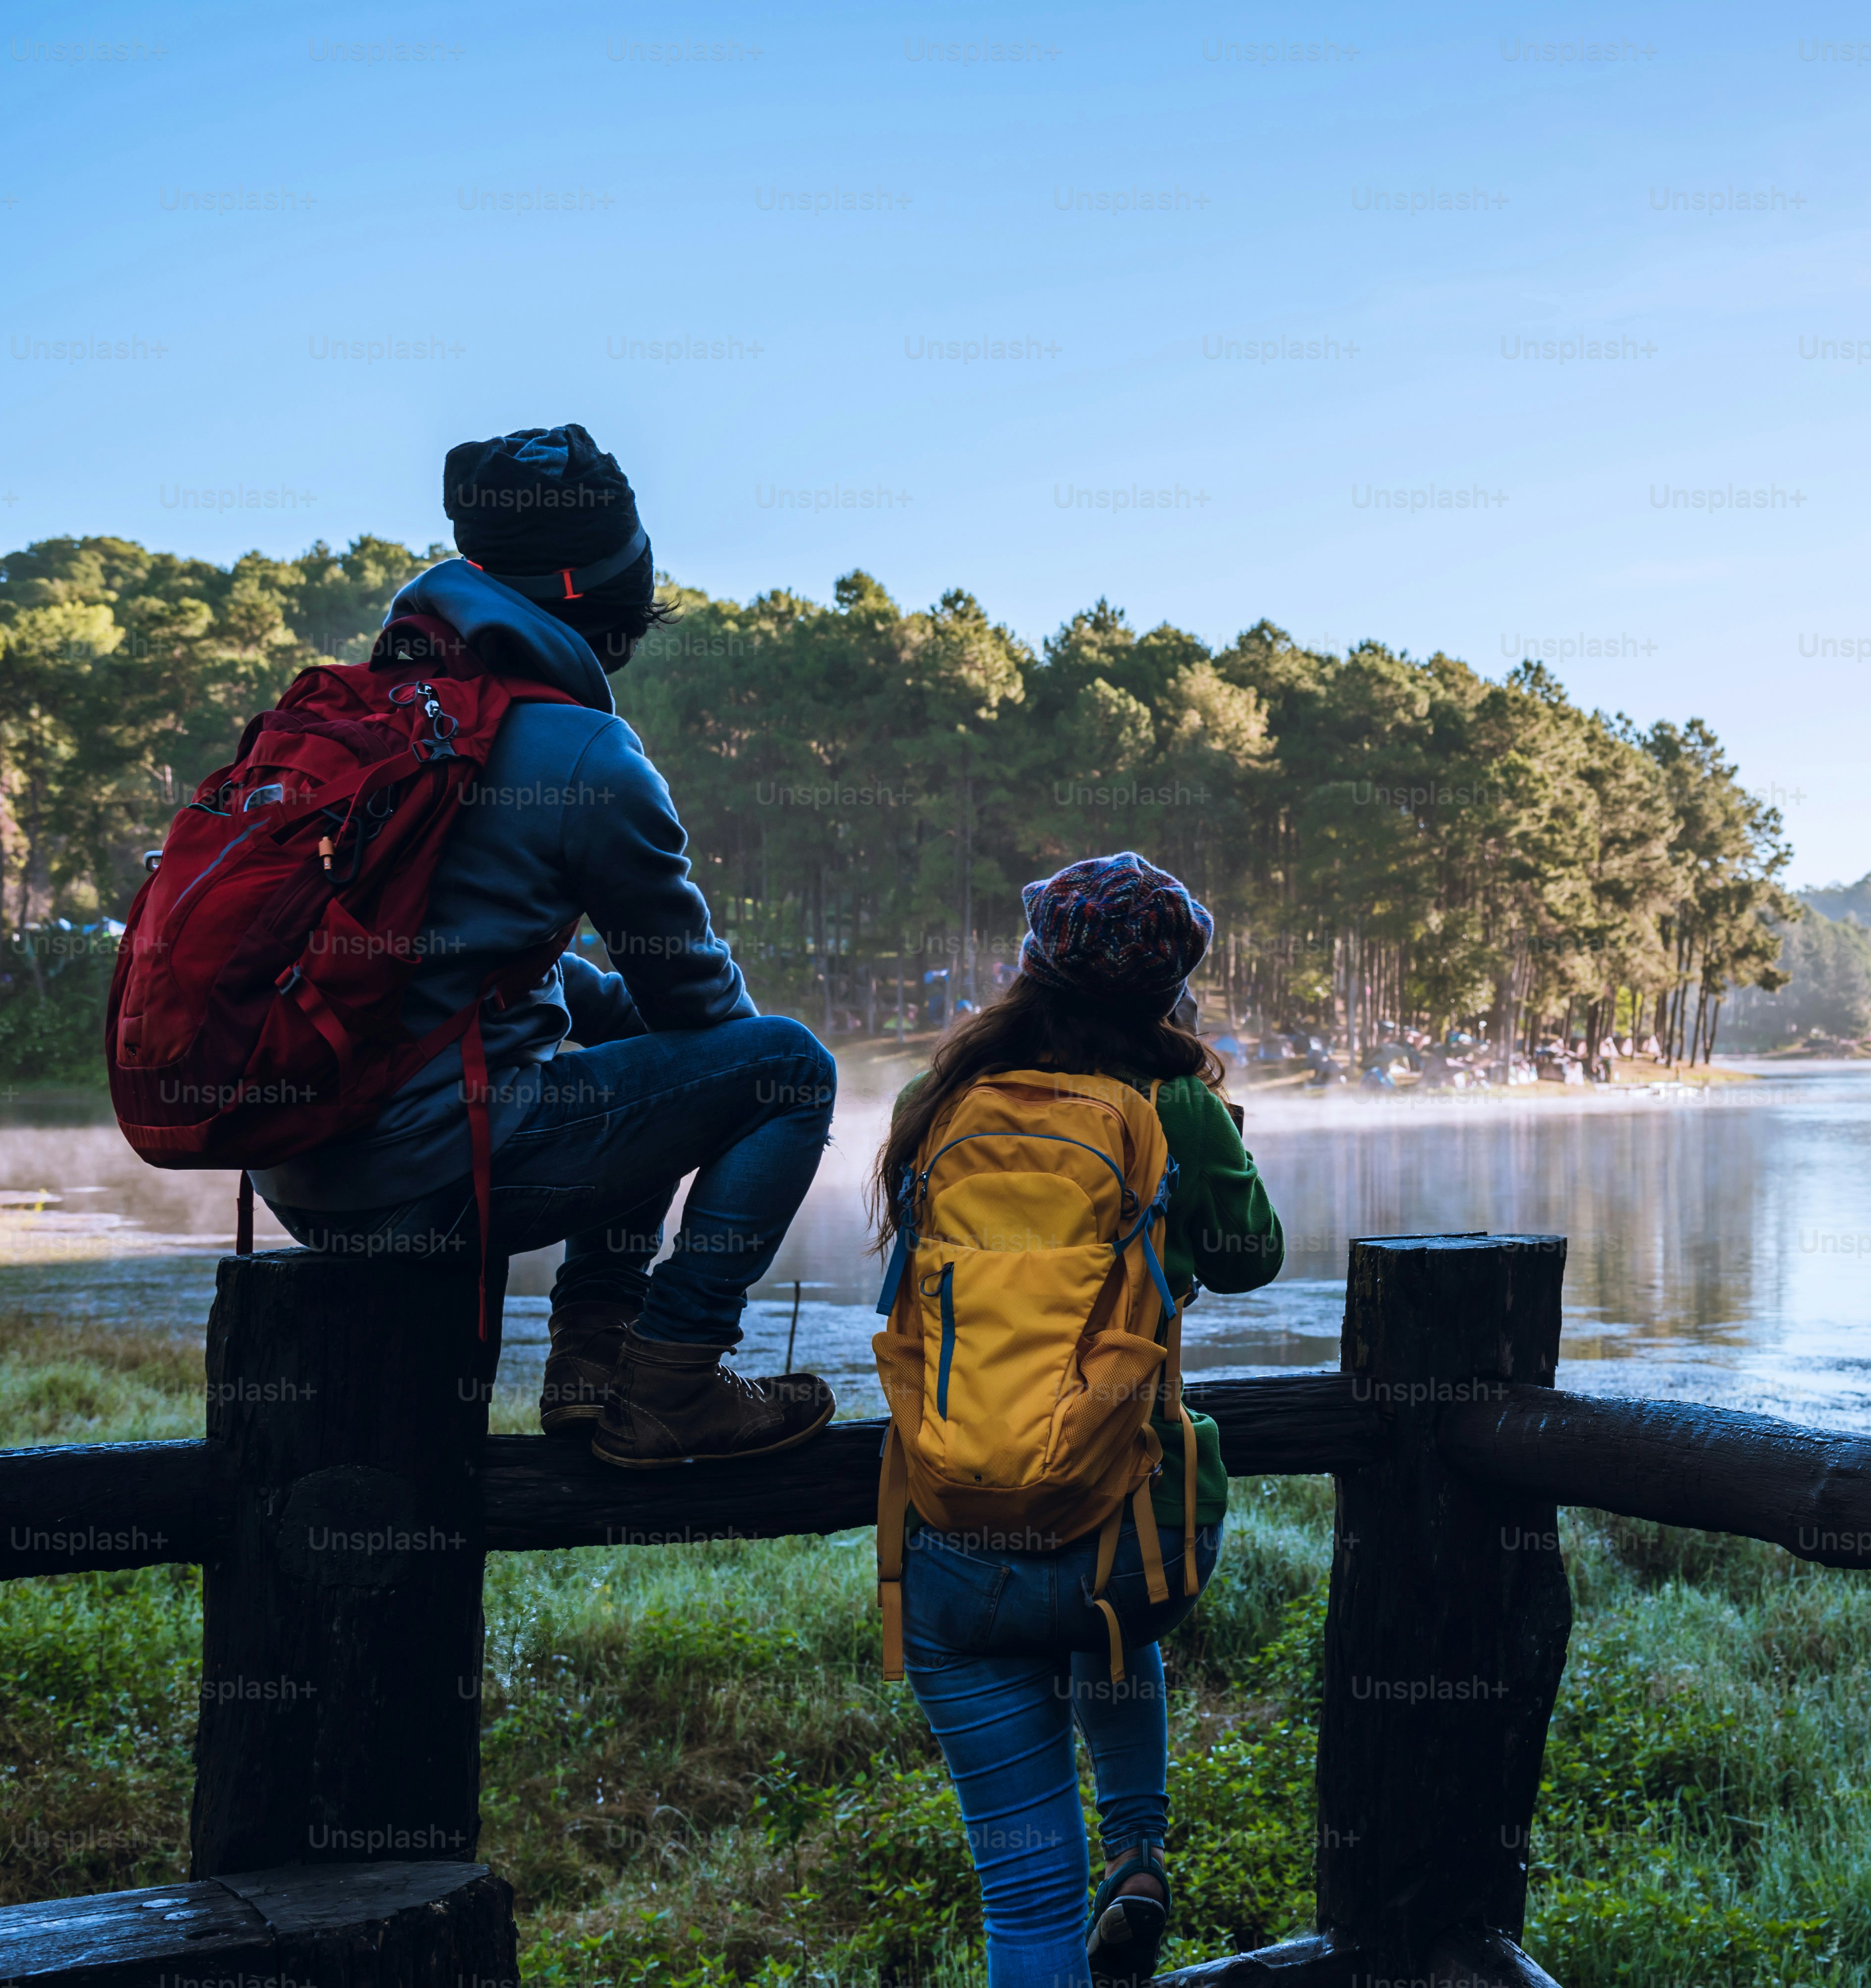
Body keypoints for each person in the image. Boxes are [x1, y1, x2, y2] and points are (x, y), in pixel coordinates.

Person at [251, 424, 837, 1466]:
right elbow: (696, 1005)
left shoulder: (374, 713)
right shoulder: (584, 755)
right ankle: (673, 1379)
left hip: (299, 1176)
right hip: (419, 1185)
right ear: (613, 600)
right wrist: (736, 1094)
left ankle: (593, 1360)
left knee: (618, 1017)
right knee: (788, 1070)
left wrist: (650, 1044)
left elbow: (434, 957)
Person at [873, 852, 1282, 1988]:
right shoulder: (1174, 1104)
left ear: (1030, 966)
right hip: (1131, 1540)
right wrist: (1210, 1140)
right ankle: (1138, 1847)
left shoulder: (933, 1103)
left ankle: (1120, 1860)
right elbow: (1253, 1259)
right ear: (1169, 991)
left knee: (1024, 1898)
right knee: (1109, 1603)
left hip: (954, 1541)